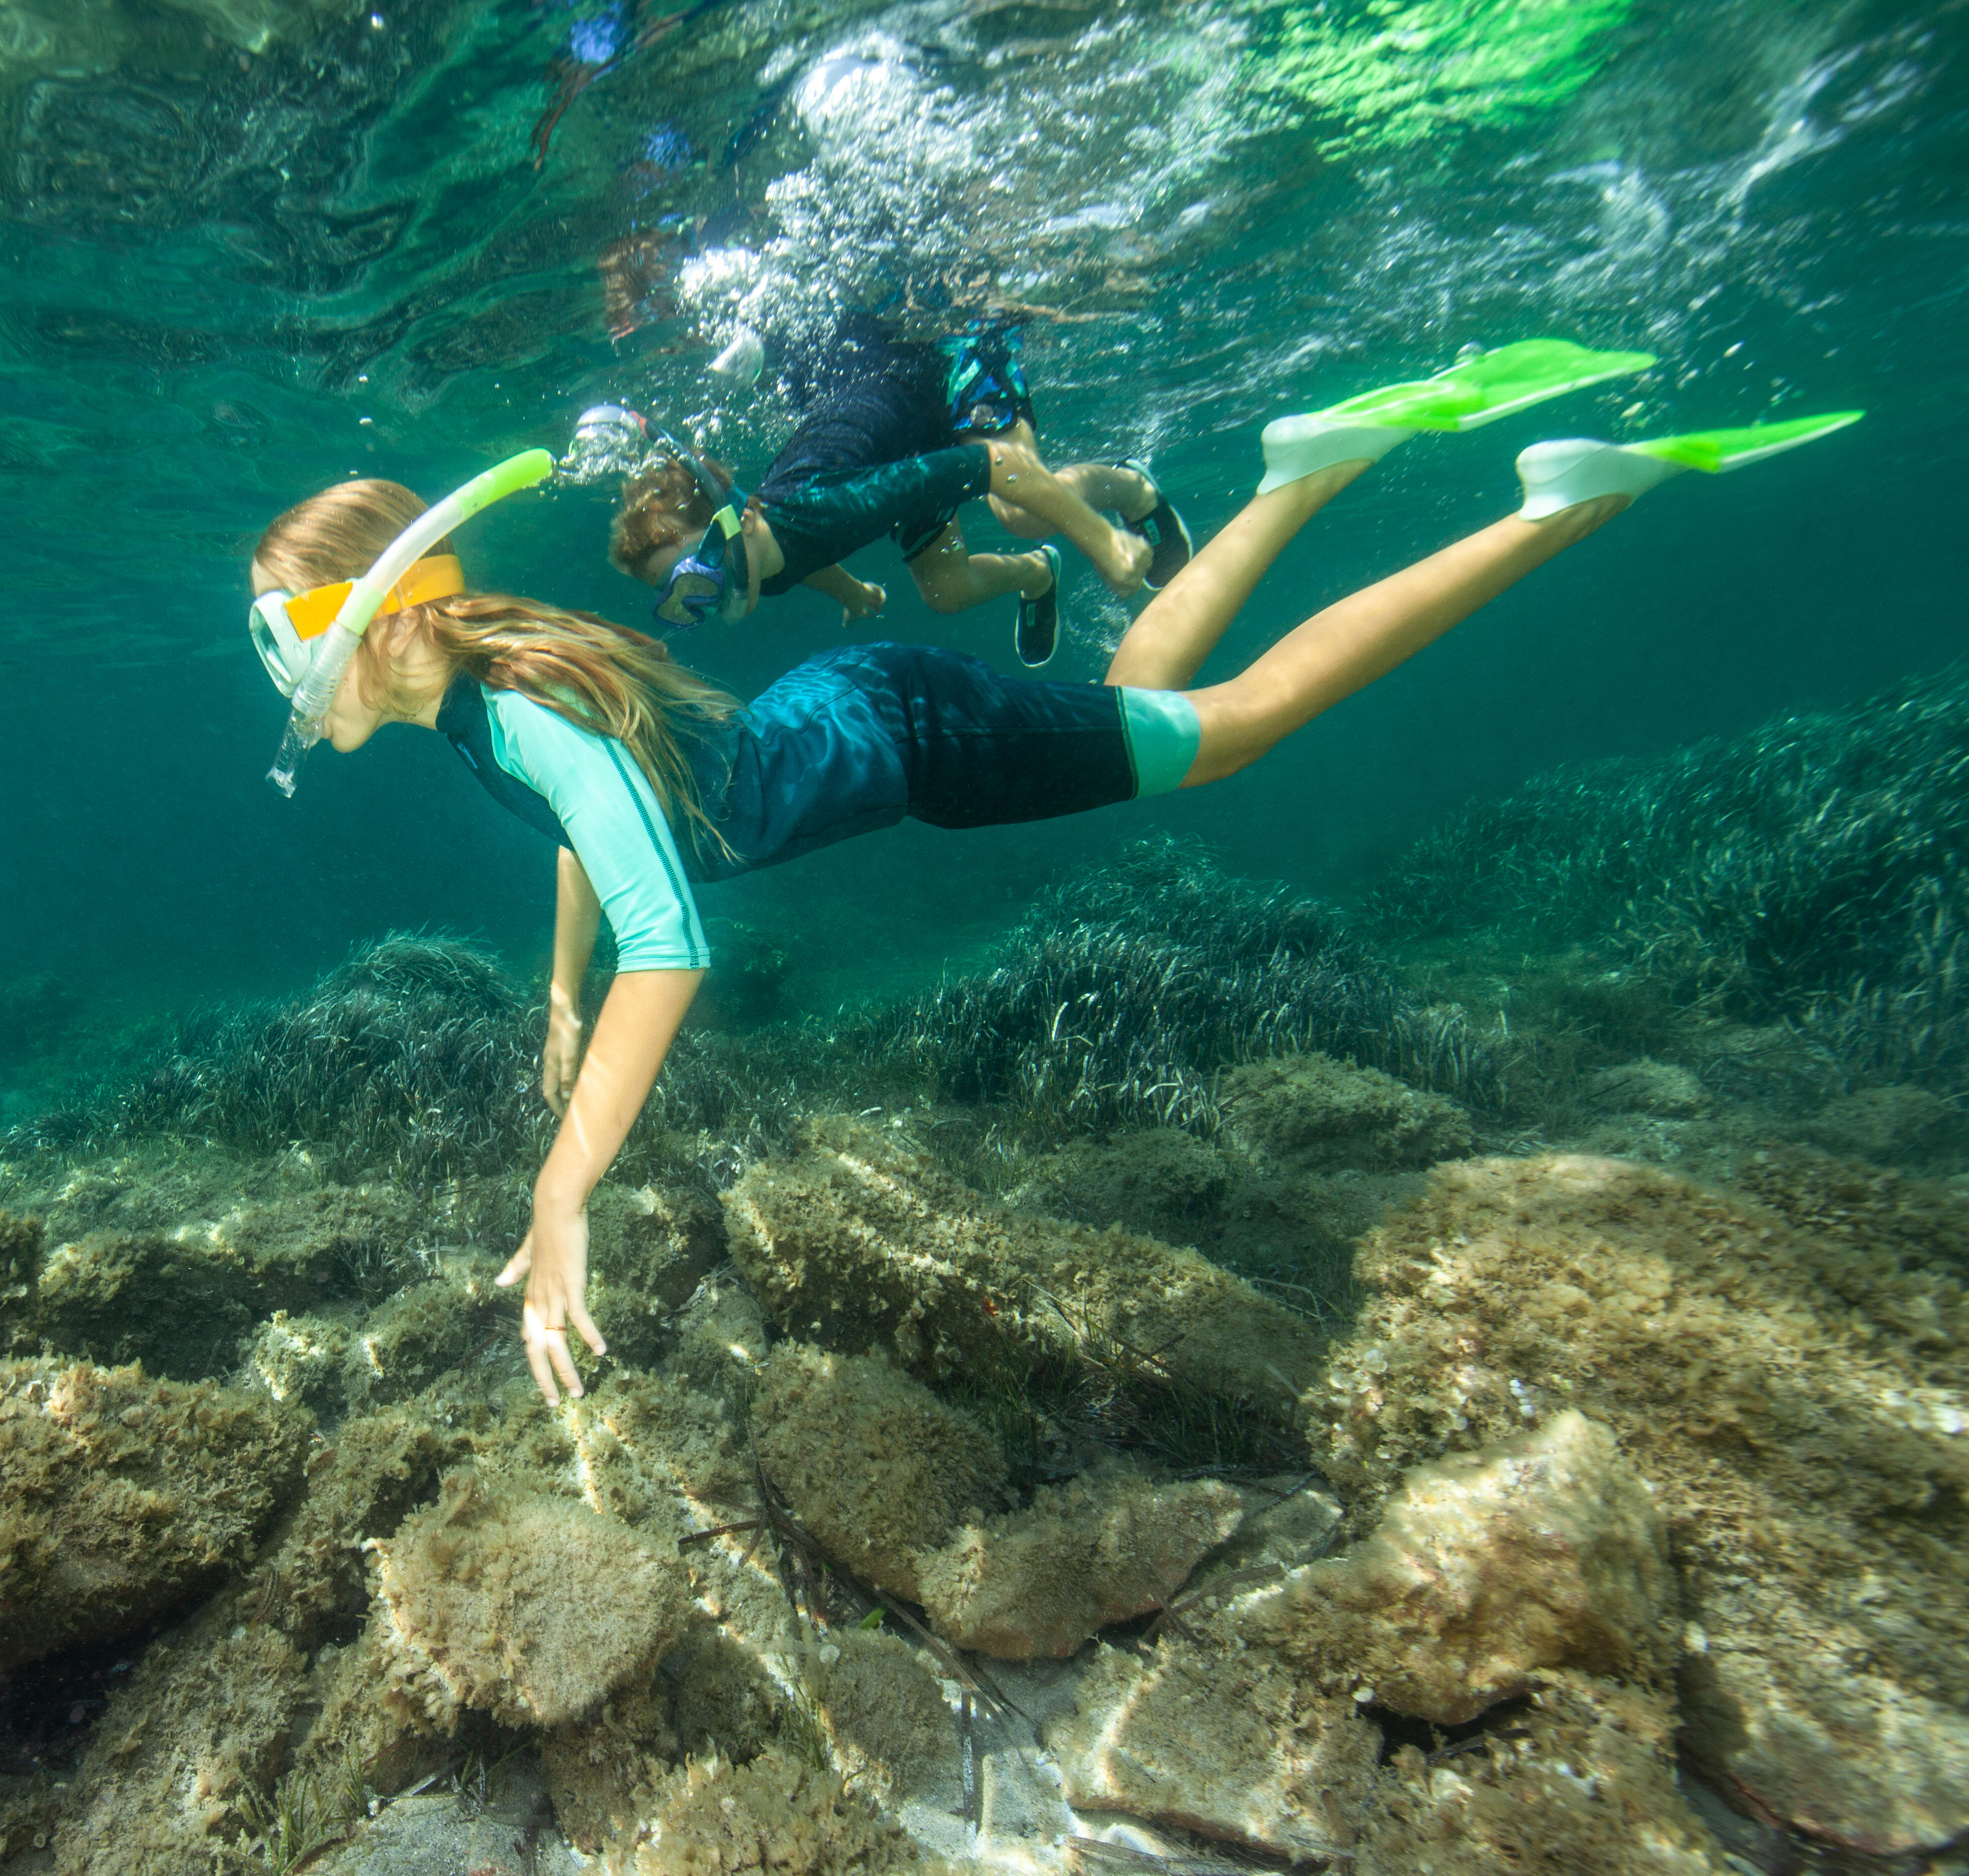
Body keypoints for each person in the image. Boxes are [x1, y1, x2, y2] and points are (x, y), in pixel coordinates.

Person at [244, 349, 1856, 1406]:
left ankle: (1550, 507)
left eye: (290, 637)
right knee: (1146, 697)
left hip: (909, 740)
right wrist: (550, 987)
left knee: (1233, 730)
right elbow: (610, 836)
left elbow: (667, 932)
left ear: (386, 620)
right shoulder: (485, 695)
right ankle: (1308, 466)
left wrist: (562, 1187)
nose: (284, 681)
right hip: (860, 726)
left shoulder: (510, 707)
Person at [603, 314, 1190, 666]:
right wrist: (853, 592)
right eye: (683, 595)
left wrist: (1103, 544)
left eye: (694, 572)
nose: (705, 592)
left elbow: (997, 462)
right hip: (897, 453)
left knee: (1019, 509)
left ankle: (1131, 490)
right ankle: (1039, 573)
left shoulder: (822, 507)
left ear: (745, 519)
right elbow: (803, 566)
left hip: (940, 369)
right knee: (946, 591)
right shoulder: (754, 564)